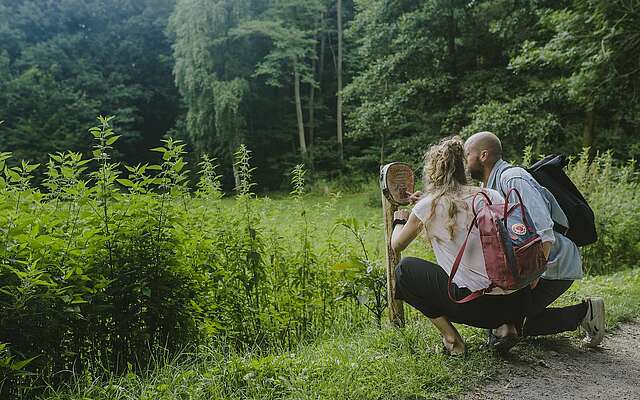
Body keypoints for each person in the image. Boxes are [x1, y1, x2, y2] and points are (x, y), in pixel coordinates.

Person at [461, 131, 605, 348]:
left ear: (483, 155)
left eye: (467, 155)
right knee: (497, 320)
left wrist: (535, 272)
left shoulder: (513, 178)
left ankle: (585, 313)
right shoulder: (489, 187)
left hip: (553, 263)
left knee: (509, 323)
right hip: (529, 266)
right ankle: (509, 323)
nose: (465, 161)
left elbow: (544, 229)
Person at [391, 136, 529, 356]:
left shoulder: (429, 206)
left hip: (473, 305)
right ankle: (506, 327)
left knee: (405, 270)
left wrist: (400, 221)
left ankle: (452, 341)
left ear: (434, 171)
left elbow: (397, 245)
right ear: (462, 168)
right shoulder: (489, 194)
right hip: (516, 301)